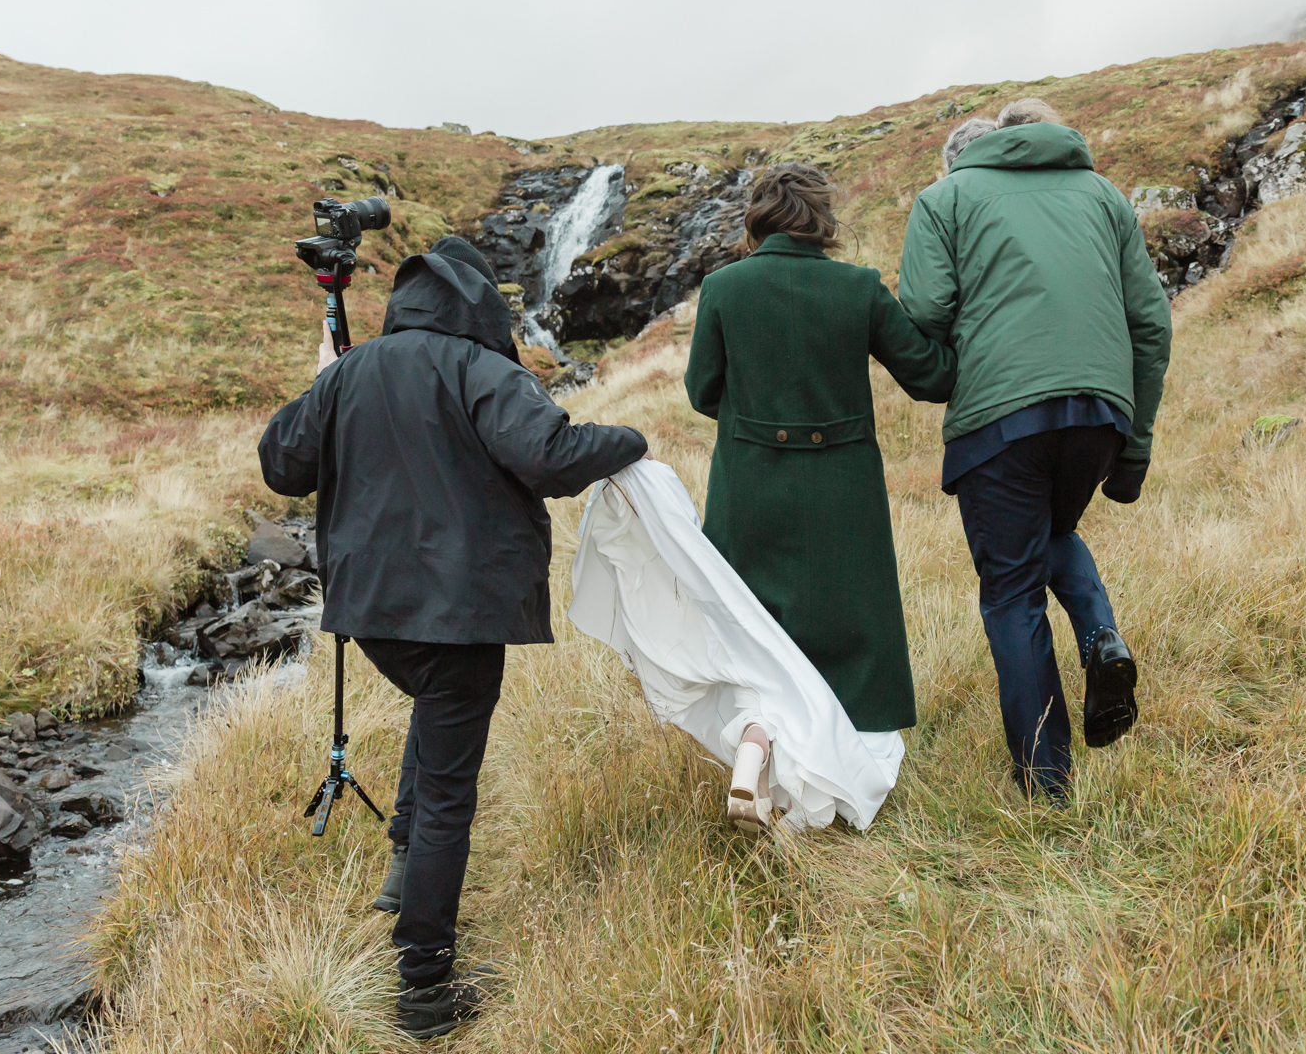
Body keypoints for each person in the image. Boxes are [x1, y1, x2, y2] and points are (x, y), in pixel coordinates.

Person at [258, 235, 647, 1039]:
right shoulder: (486, 371)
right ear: (480, 303)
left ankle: (402, 874)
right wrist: (632, 442)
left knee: (432, 722)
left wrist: (327, 384)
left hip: (370, 611)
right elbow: (551, 455)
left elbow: (281, 465)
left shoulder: (354, 370)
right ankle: (426, 989)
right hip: (461, 613)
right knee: (449, 793)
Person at [897, 98, 1172, 806]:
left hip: (1002, 416)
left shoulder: (946, 197)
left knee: (1012, 591)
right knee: (1052, 532)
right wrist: (1133, 446)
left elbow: (925, 312)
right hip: (1101, 411)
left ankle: (1046, 787)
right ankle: (1102, 638)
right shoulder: (1104, 193)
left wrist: (944, 370)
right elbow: (1150, 320)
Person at [684, 163, 956, 828]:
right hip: (841, 494)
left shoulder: (723, 288)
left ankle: (756, 747)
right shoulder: (857, 288)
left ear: (760, 216)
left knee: (757, 632)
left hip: (748, 487)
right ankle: (830, 796)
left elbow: (700, 391)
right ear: (821, 218)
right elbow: (929, 375)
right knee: (849, 639)